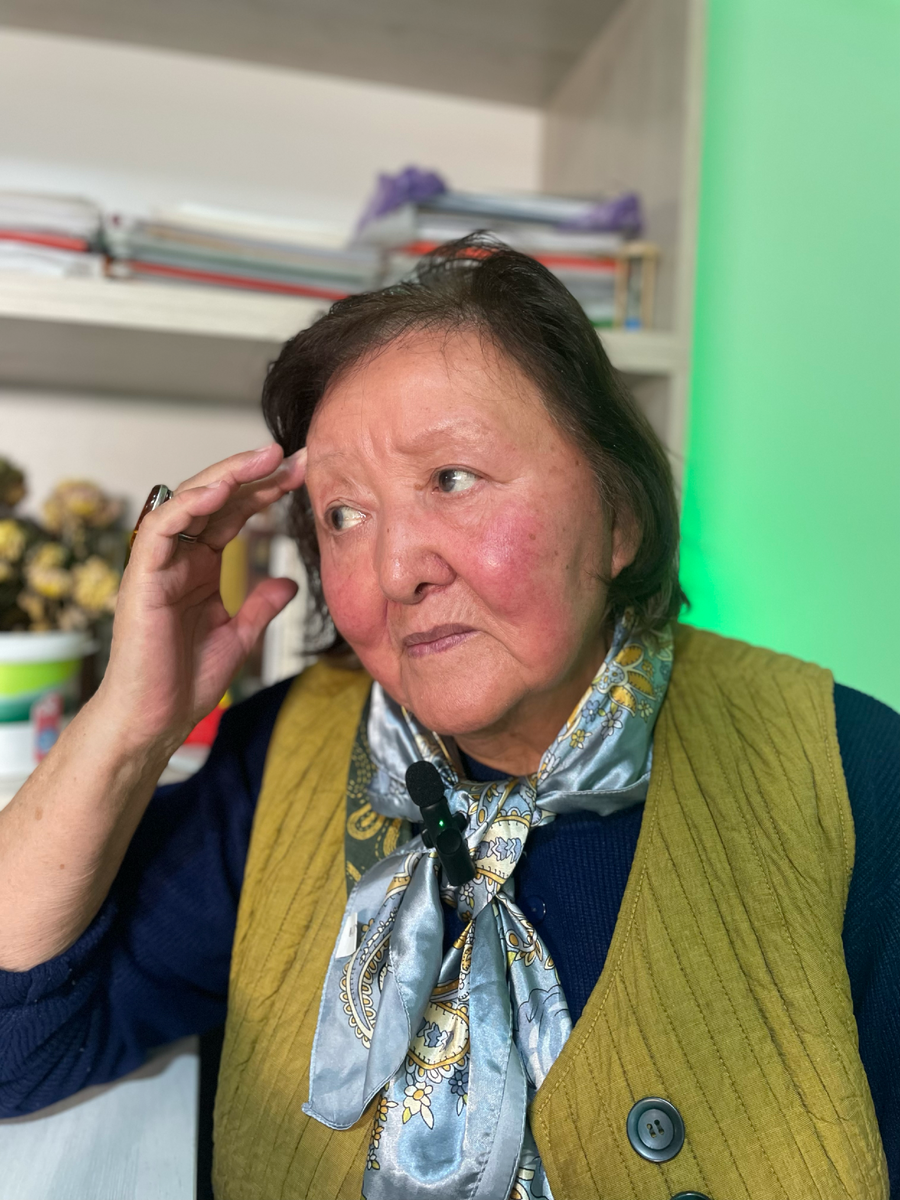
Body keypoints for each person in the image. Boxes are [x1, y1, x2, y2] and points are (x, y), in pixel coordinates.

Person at [0, 237, 897, 1200]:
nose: (396, 570)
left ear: (620, 517)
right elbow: (21, 1046)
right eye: (344, 515)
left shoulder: (848, 772)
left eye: (452, 479)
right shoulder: (282, 761)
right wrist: (130, 723)